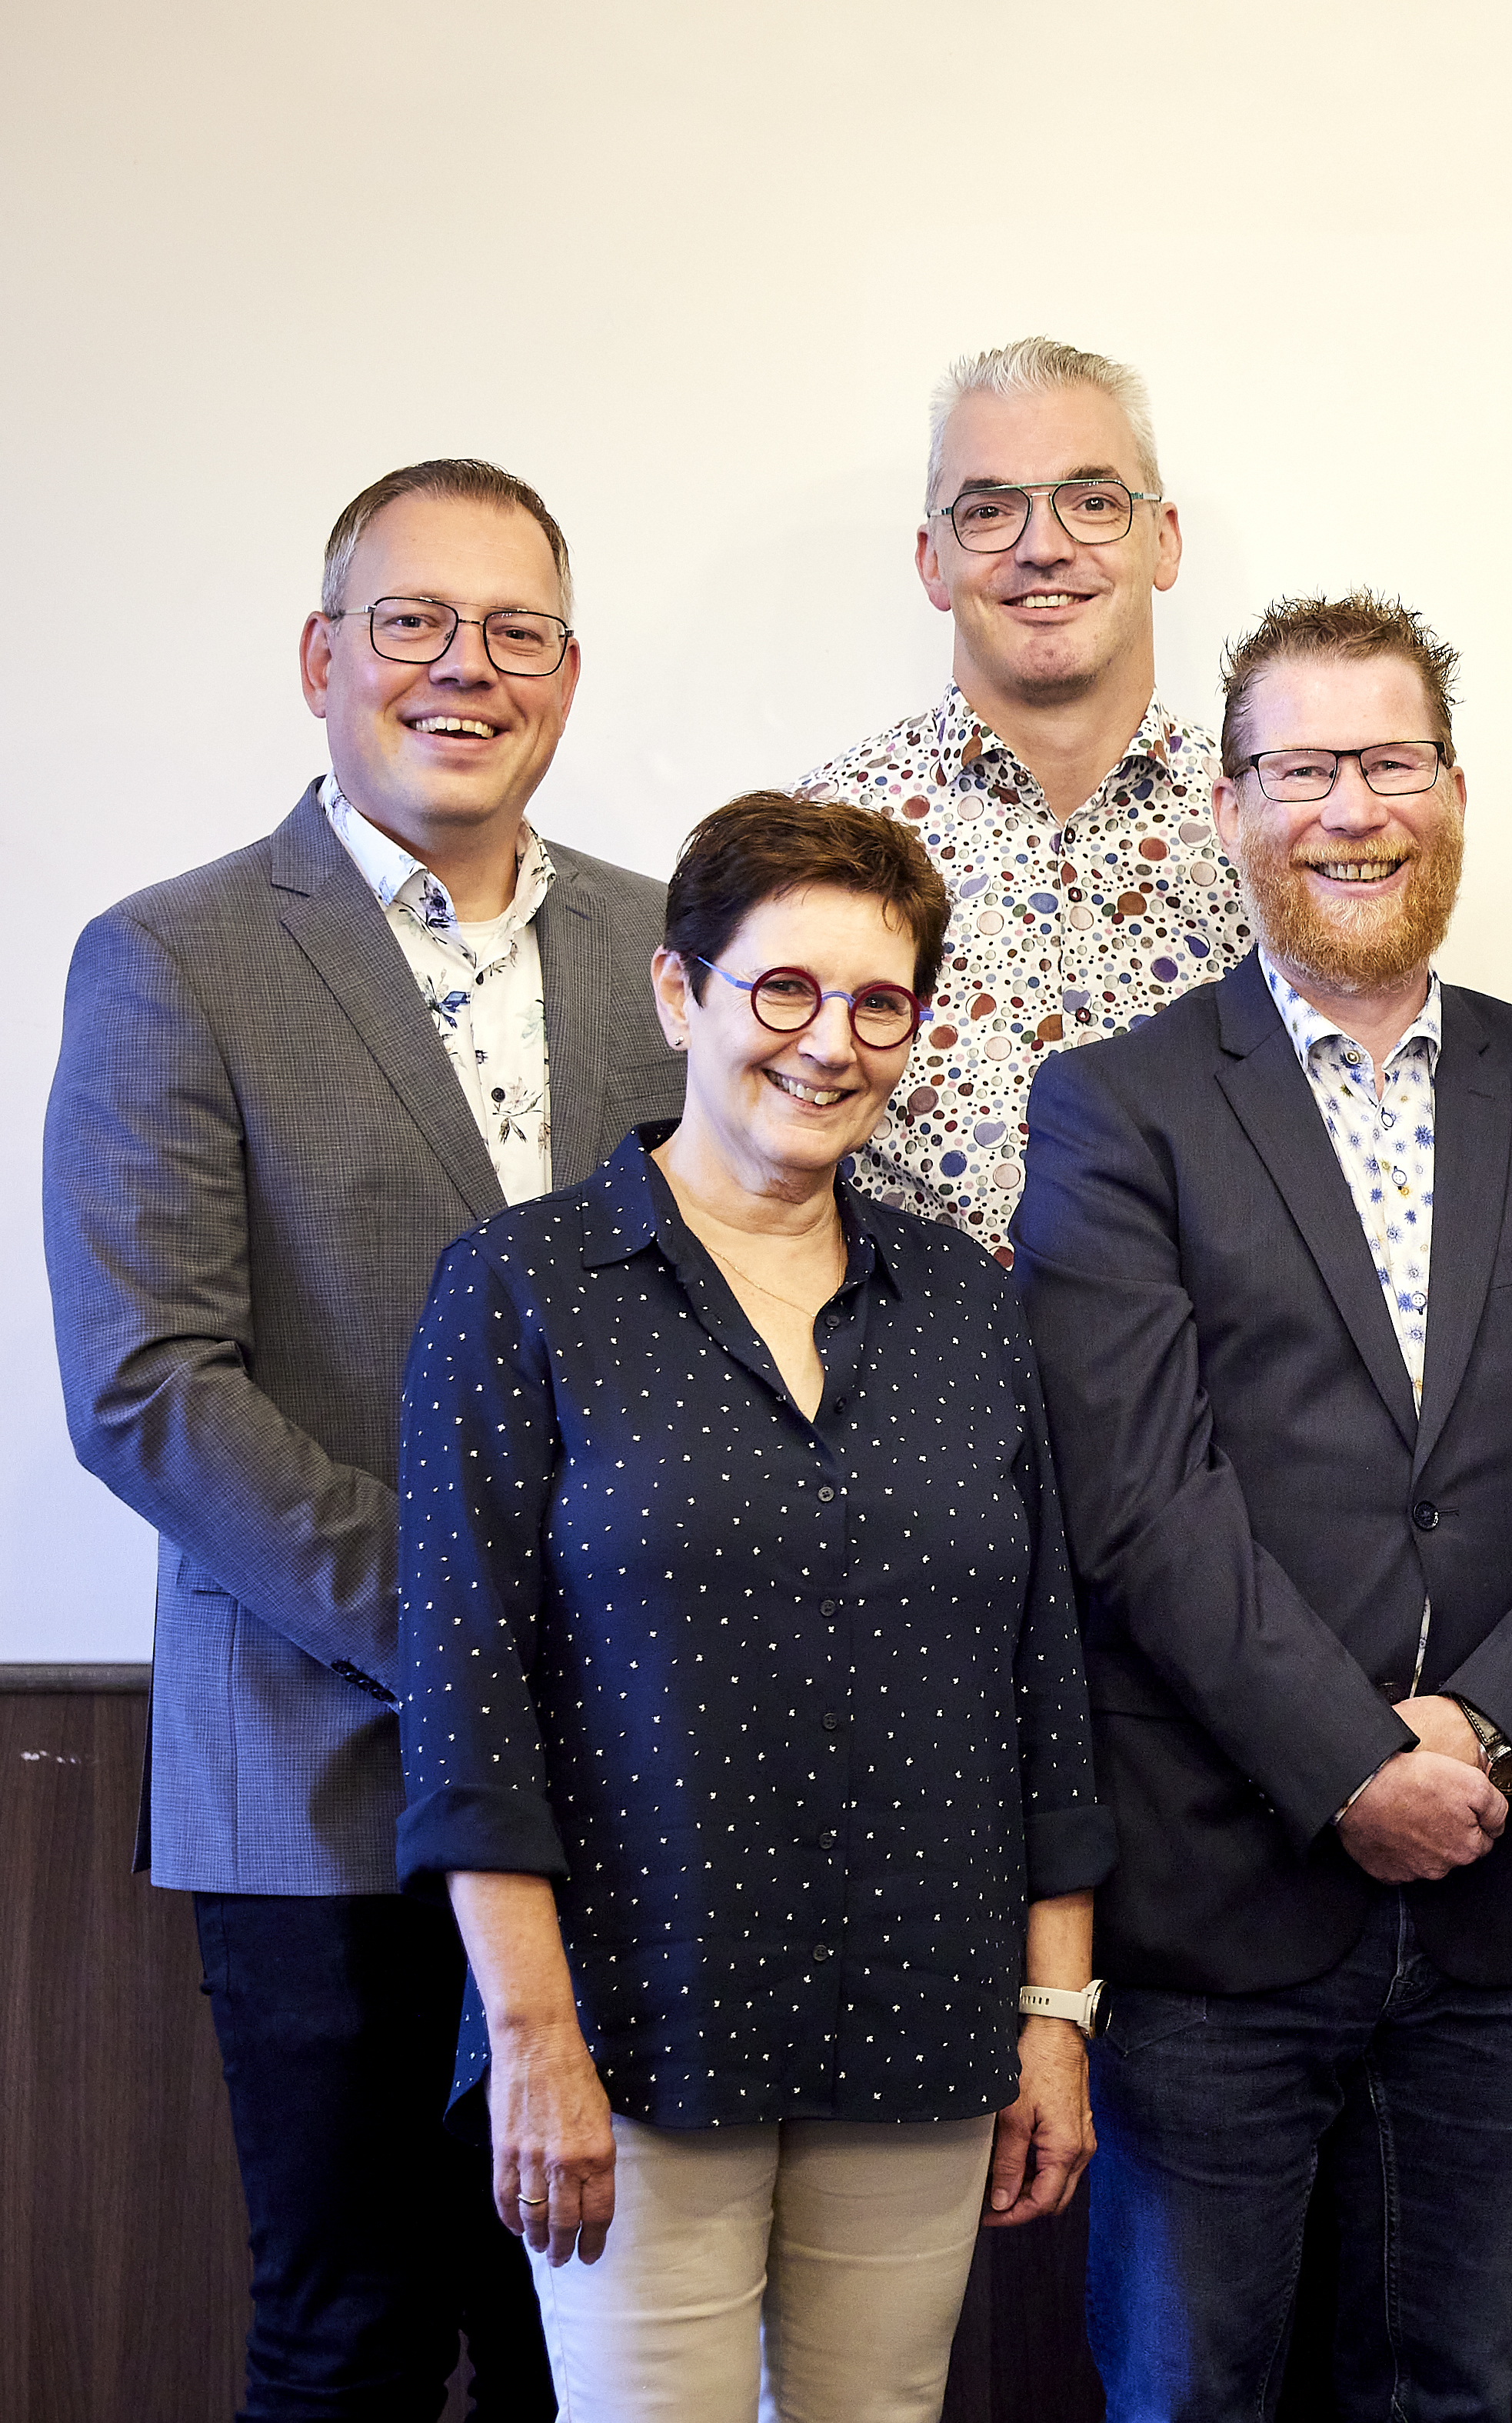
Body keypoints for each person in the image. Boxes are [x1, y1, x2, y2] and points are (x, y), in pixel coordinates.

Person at [1013, 592, 1512, 2423]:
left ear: (1454, 794)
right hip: (1224, 1897)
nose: (1350, 810)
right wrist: (1350, 1764)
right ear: (1230, 809)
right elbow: (1140, 1498)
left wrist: (1472, 1742)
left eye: (1388, 762)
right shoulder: (1116, 1109)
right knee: (1192, 2396)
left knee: (1448, 2394)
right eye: (1302, 768)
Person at [45, 458, 687, 2422]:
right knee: (350, 2332)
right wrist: (459, 1633)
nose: (461, 670)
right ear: (325, 658)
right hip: (316, 1781)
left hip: (625, 1778)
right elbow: (147, 1385)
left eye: (513, 632)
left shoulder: (672, 950)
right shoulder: (175, 956)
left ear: (569, 676)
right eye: (413, 623)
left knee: (589, 2344)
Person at [393, 789, 1114, 2419]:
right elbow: (468, 1704)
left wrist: (1053, 2015)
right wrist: (530, 2038)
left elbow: (1042, 1689)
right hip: (634, 2022)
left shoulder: (965, 1306)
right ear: (680, 994)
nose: (830, 1043)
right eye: (781, 989)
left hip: (925, 2019)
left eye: (878, 1003)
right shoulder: (522, 1286)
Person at [799, 335, 1251, 1262]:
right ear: (933, 560)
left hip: (1219, 1398)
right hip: (898, 1397)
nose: (1043, 548)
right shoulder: (821, 837)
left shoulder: (1271, 832)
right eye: (990, 510)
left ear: (1161, 542)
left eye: (1092, 503)